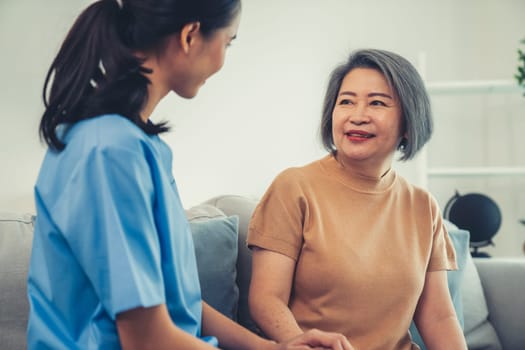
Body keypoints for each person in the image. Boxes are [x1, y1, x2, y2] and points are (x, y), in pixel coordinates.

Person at [26, 0, 354, 349]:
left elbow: (174, 303)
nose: (223, 60)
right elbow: (146, 338)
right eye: (227, 43)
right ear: (190, 35)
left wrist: (274, 348)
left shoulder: (137, 147)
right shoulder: (108, 150)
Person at [247, 49, 468, 350]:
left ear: (408, 122)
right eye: (346, 102)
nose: (357, 116)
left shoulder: (422, 206)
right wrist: (300, 343)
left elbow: (439, 317)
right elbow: (265, 299)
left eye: (377, 103)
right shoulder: (294, 188)